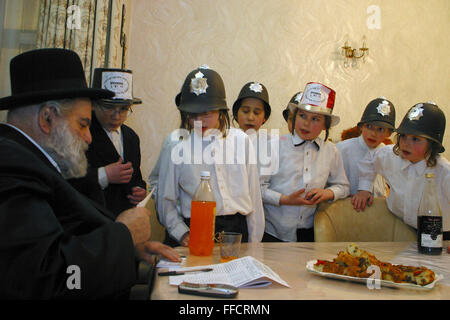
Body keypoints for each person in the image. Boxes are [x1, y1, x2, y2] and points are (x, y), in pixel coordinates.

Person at [0, 48, 180, 299]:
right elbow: (45, 277)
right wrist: (122, 236)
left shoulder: (34, 159)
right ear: (47, 118)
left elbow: (68, 237)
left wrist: (129, 247)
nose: (88, 137)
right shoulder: (10, 165)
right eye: (83, 125)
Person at [159, 65, 265, 246]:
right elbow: (165, 199)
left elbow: (254, 198)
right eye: (192, 115)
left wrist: (254, 245)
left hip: (236, 232)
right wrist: (181, 233)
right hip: (195, 229)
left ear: (220, 110)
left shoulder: (241, 140)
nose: (199, 121)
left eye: (206, 113)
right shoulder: (176, 143)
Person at [261, 82, 350, 242]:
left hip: (309, 233)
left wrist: (328, 193)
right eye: (302, 116)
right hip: (273, 232)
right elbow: (258, 189)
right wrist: (285, 200)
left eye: (315, 119)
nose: (306, 123)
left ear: (325, 125)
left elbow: (343, 186)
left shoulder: (331, 151)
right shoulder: (273, 146)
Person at [353, 102, 449, 240]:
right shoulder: (389, 155)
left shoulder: (444, 172)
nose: (406, 143)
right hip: (402, 229)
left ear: (432, 145)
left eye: (416, 139)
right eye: (403, 136)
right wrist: (364, 188)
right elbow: (369, 160)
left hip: (440, 235)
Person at [70, 68, 147, 217]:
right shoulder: (81, 133)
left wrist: (140, 190)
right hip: (92, 219)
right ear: (94, 105)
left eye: (123, 109)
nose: (116, 116)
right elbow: (68, 181)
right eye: (109, 107)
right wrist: (104, 175)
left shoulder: (131, 137)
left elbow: (136, 176)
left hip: (125, 219)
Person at [336, 97, 396, 198]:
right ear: (361, 127)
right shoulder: (342, 149)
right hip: (347, 207)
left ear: (388, 133)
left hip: (378, 207)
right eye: (369, 127)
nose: (373, 134)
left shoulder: (387, 152)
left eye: (380, 129)